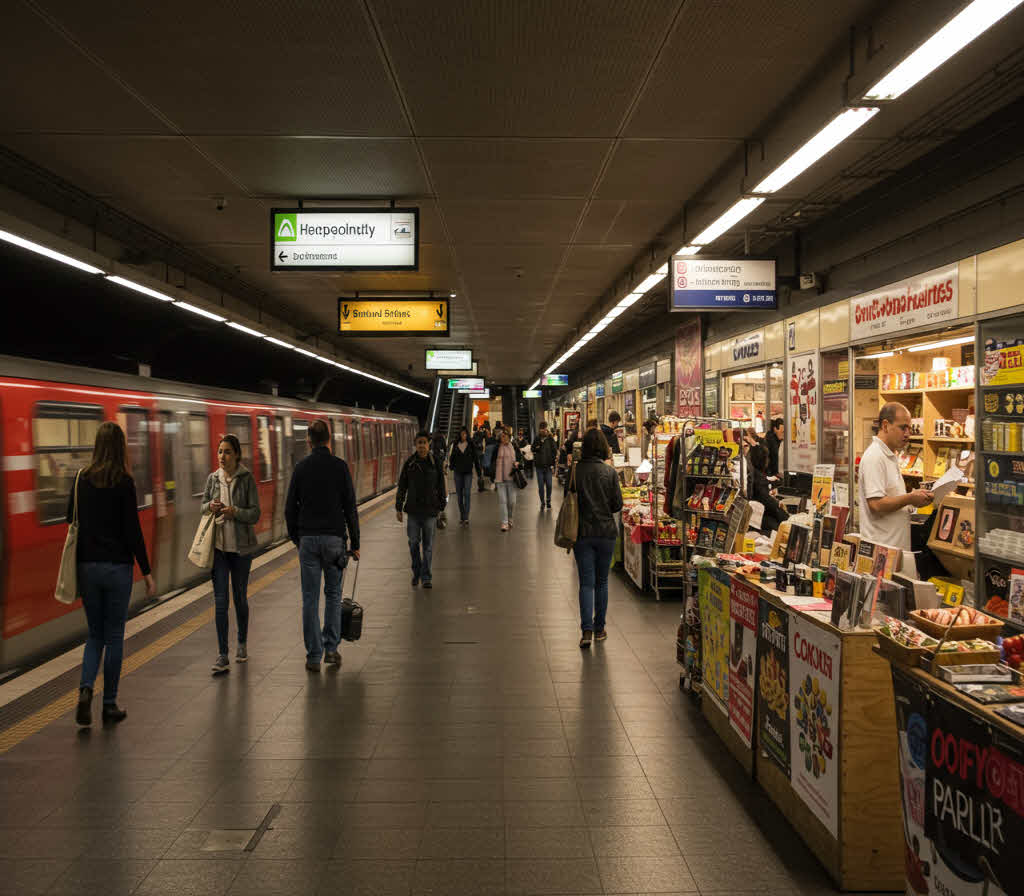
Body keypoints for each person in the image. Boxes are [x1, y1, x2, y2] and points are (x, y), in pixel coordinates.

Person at [71, 421, 155, 727]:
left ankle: (84, 691)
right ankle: (108, 704)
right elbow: (132, 531)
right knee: (115, 636)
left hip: (87, 567)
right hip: (117, 567)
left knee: (94, 635)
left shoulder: (81, 478)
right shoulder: (124, 482)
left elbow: (72, 518)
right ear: (120, 448)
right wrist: (146, 571)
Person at [285, 419, 360, 671]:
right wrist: (356, 542)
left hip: (308, 540)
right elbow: (350, 507)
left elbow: (289, 509)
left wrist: (298, 538)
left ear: (309, 441)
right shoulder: (340, 467)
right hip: (334, 541)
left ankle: (313, 656)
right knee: (334, 595)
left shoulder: (301, 468)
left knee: (309, 598)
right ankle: (331, 649)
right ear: (329, 439)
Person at [202, 434, 261, 674]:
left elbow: (255, 513)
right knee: (220, 602)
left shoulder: (246, 479)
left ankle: (242, 643)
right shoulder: (212, 479)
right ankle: (222, 654)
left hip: (241, 550)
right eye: (220, 452)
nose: (222, 457)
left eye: (227, 452)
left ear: (237, 454)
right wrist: (211, 507)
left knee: (239, 598)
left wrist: (234, 512)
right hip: (219, 550)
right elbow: (203, 506)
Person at [572, 429, 623, 648]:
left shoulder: (576, 471)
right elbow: (617, 505)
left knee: (586, 583)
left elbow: (569, 499)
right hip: (606, 533)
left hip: (582, 533)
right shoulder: (610, 472)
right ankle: (600, 628)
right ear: (603, 447)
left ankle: (586, 631)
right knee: (602, 582)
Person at [858, 402, 932, 551]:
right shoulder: (875, 456)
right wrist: (910, 498)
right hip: (881, 552)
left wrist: (914, 501)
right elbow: (876, 505)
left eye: (909, 428)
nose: (907, 434)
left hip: (893, 550)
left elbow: (892, 498)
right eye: (902, 427)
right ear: (885, 425)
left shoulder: (889, 455)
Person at [397, 431, 447, 588]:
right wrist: (398, 507)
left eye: (424, 443)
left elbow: (441, 485)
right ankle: (416, 571)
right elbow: (402, 486)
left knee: (428, 546)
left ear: (429, 444)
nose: (422, 446)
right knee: (413, 543)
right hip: (413, 510)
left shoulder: (435, 462)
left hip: (430, 511)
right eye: (419, 443)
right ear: (415, 445)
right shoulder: (409, 463)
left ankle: (426, 577)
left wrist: (441, 506)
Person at [748, 444, 788, 535]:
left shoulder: (755, 473)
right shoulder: (758, 477)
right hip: (761, 516)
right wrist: (778, 504)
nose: (768, 461)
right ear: (762, 460)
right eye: (766, 458)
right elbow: (766, 499)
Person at [448, 426, 482, 525]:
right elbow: (452, 457)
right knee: (459, 495)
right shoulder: (455, 444)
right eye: (462, 434)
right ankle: (462, 515)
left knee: (466, 493)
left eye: (465, 434)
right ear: (459, 435)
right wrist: (451, 466)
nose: (464, 436)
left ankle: (466, 517)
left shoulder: (471, 444)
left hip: (468, 472)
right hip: (457, 472)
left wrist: (479, 473)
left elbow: (476, 459)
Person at [493, 429, 524, 531]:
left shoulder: (514, 446)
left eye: (506, 436)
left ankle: (510, 518)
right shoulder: (497, 447)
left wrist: (518, 463)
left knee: (512, 502)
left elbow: (520, 457)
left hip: (511, 478)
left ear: (509, 437)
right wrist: (492, 475)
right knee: (503, 501)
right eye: (502, 436)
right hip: (500, 478)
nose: (504, 438)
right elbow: (492, 461)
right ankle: (504, 522)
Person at [532, 422, 558, 508]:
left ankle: (548, 499)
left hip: (548, 466)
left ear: (546, 429)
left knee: (549, 485)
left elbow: (555, 450)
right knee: (540, 486)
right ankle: (542, 502)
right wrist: (538, 446)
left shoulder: (550, 439)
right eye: (541, 428)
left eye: (544, 428)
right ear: (539, 429)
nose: (543, 430)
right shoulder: (537, 438)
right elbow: (533, 448)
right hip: (539, 466)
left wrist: (553, 463)